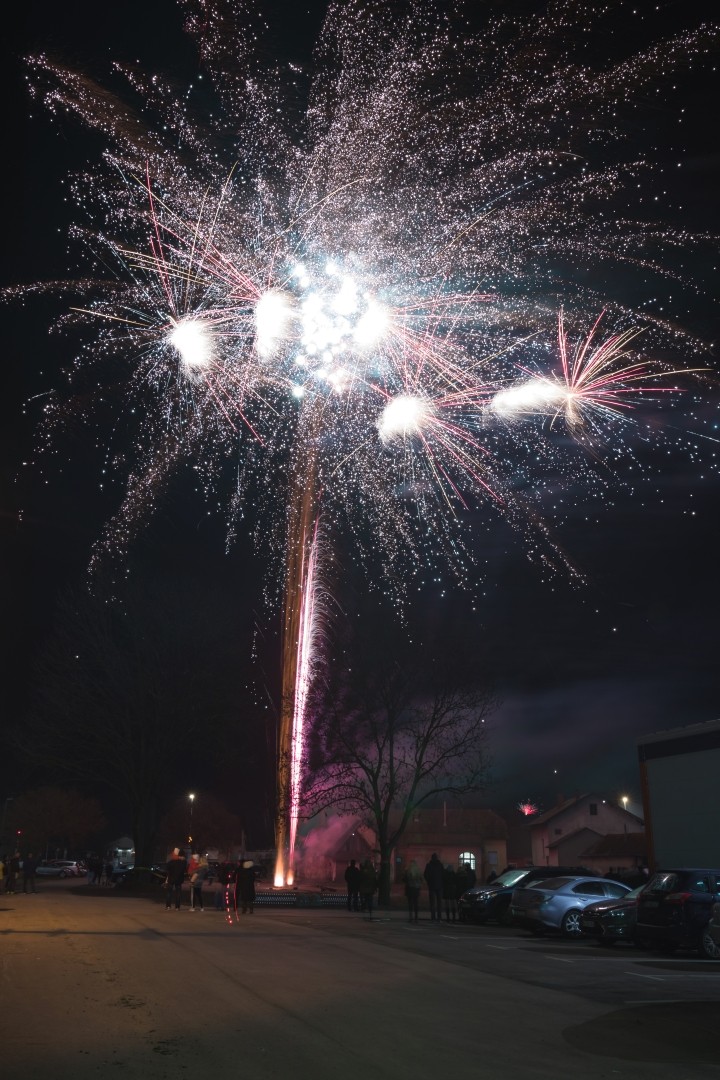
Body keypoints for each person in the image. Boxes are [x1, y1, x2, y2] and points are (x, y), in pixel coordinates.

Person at [424, 852, 444, 922]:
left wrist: (429, 882)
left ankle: (433, 917)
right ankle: (439, 917)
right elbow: (443, 875)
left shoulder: (429, 865)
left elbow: (426, 875)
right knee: (439, 903)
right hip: (439, 885)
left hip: (432, 886)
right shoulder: (440, 865)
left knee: (432, 902)